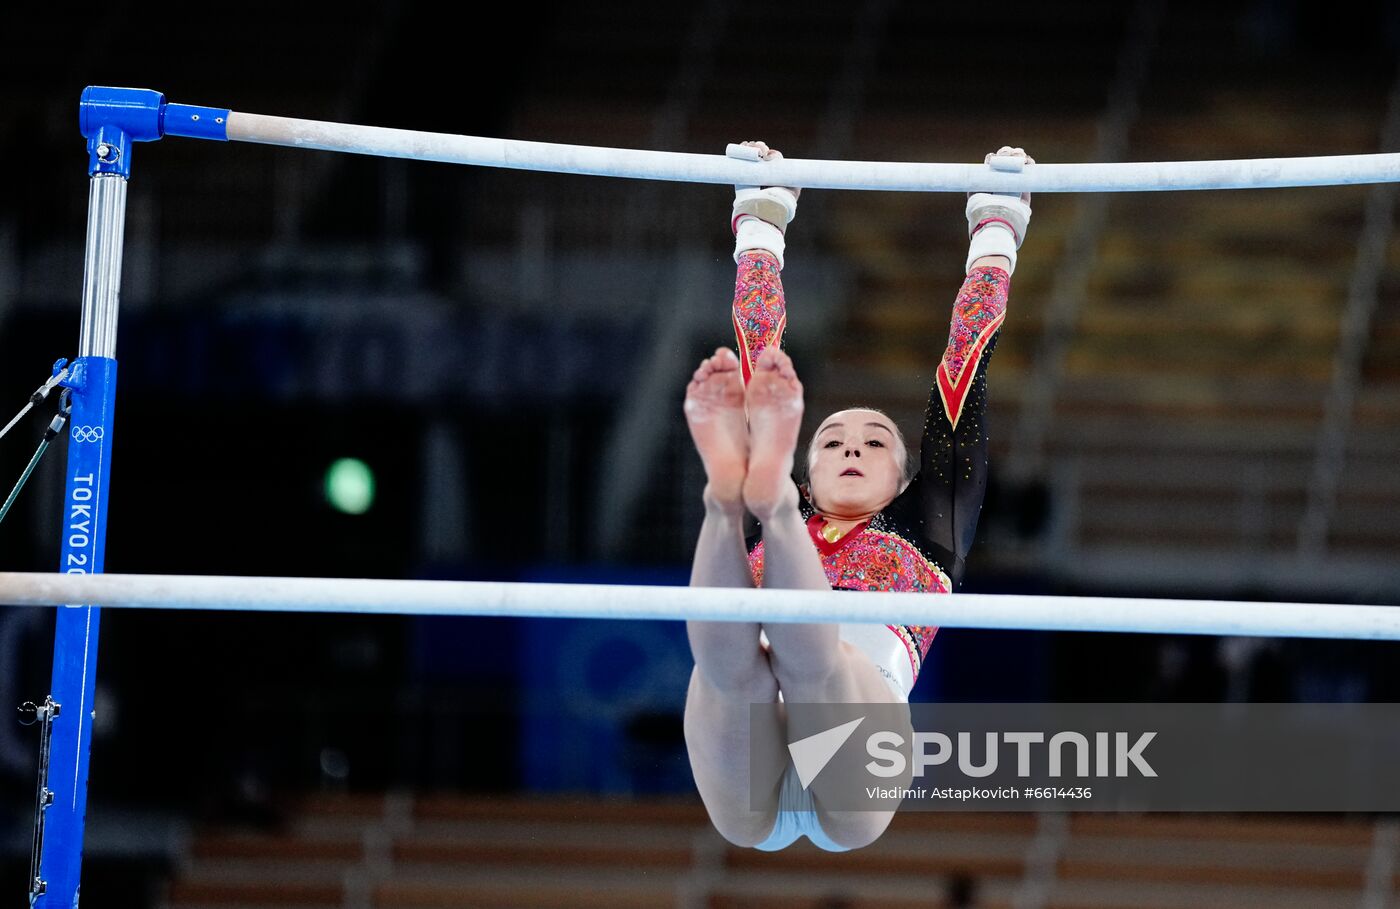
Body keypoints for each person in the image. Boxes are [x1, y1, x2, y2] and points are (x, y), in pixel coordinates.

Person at [681, 141, 1033, 851]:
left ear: (907, 481)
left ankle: (745, 499)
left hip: (851, 745)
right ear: (809, 476)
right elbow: (760, 352)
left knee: (813, 665)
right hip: (749, 729)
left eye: (873, 442)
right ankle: (729, 499)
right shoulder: (808, 501)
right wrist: (761, 218)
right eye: (834, 439)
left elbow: (963, 366)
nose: (850, 447)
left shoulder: (930, 521)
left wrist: (997, 226)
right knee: (725, 669)